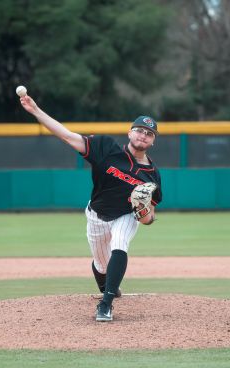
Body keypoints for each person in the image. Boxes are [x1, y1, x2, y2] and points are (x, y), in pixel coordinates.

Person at [19, 92, 162, 322]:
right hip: (96, 215)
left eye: (149, 134)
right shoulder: (105, 147)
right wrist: (36, 111)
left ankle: (106, 305)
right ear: (130, 132)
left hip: (125, 216)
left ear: (153, 141)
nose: (143, 135)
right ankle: (108, 285)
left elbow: (149, 218)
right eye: (139, 130)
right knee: (101, 264)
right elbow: (66, 136)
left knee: (120, 245)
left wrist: (143, 213)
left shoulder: (151, 176)